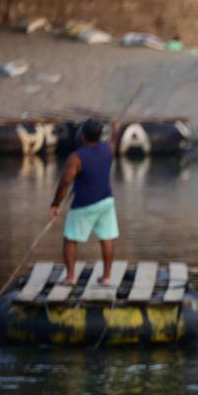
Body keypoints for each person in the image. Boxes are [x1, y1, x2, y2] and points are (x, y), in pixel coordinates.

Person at [50, 118, 122, 285]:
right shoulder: (107, 150)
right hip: (106, 201)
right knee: (107, 237)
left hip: (84, 204)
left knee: (70, 239)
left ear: (82, 136)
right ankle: (107, 278)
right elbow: (114, 141)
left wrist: (55, 204)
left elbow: (65, 182)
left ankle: (70, 277)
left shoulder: (76, 157)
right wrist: (117, 129)